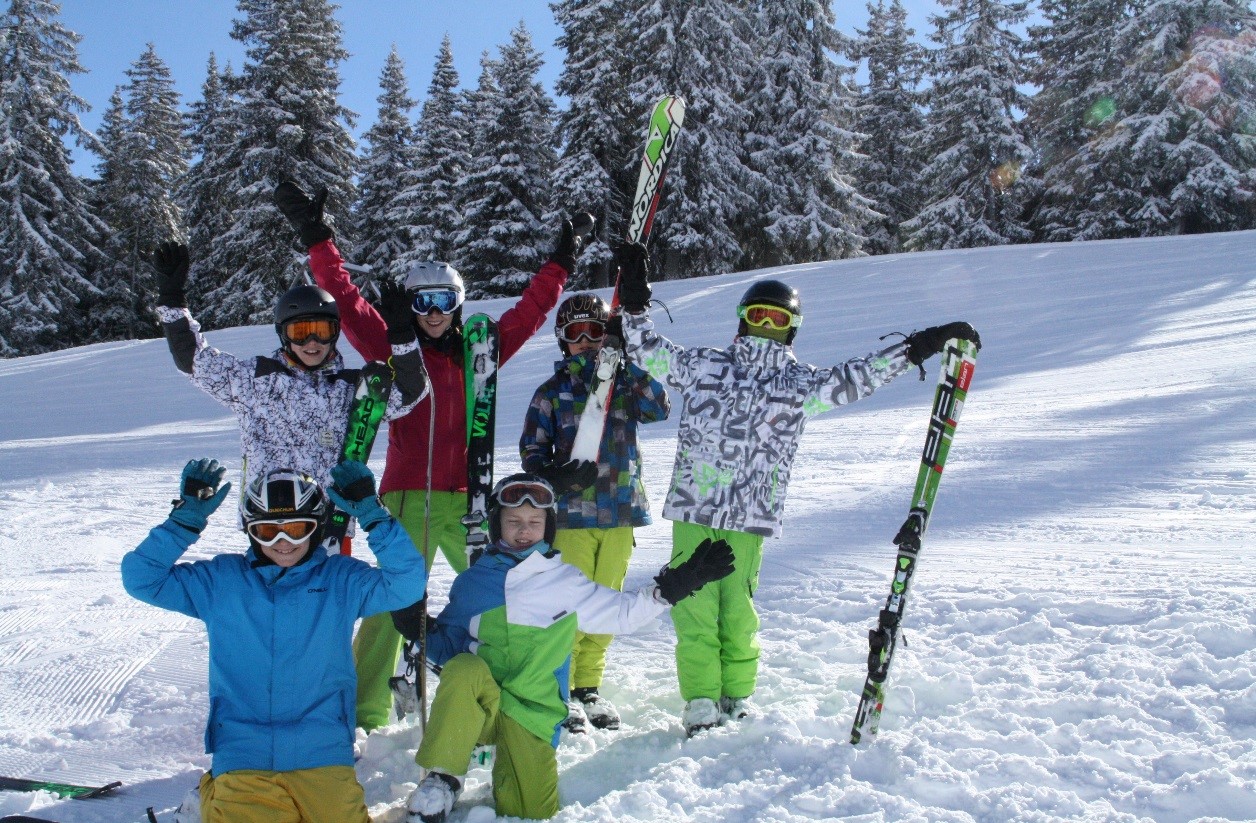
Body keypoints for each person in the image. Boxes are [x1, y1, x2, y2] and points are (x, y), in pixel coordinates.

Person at [614, 243, 982, 737]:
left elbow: (857, 378)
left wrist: (917, 346)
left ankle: (736, 696)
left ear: (792, 328)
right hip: (695, 507)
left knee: (738, 611)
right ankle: (700, 699)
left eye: (777, 318)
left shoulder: (799, 383)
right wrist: (634, 304)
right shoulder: (706, 366)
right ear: (743, 319)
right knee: (694, 607)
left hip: (749, 516)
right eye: (758, 314)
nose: (767, 325)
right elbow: (648, 351)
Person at [272, 181, 588, 732]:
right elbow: (344, 300)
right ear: (411, 306)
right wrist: (317, 238)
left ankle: (500, 701)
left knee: (497, 599)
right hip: (402, 496)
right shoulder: (389, 343)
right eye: (422, 302)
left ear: (458, 303)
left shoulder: (480, 349)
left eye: (444, 301)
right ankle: (365, 711)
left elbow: (532, 311)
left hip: (468, 499)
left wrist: (562, 258)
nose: (434, 313)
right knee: (387, 607)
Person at [390, 473, 735, 822]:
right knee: (466, 669)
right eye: (513, 522)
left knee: (528, 813)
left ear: (548, 527)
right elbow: (450, 650)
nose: (524, 531)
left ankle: (510, 771)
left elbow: (622, 614)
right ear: (497, 525)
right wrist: (417, 629)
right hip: (483, 704)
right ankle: (444, 777)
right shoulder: (472, 583)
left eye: (534, 522)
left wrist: (676, 585)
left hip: (532, 713)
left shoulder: (564, 582)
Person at [120, 458, 428, 823]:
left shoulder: (340, 579)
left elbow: (407, 583)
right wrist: (184, 521)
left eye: (297, 528)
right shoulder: (222, 581)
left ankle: (217, 798)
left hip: (322, 749)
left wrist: (374, 516)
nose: (284, 543)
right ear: (252, 531)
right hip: (243, 751)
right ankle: (215, 793)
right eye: (269, 532)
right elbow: (142, 578)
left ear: (315, 528)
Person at [152, 241, 428, 503]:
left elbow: (410, 392)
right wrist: (172, 300)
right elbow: (192, 359)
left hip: (330, 523)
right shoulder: (254, 379)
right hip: (267, 522)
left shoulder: (354, 389)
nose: (312, 343)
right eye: (300, 332)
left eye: (322, 332)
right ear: (283, 335)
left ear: (334, 334)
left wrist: (403, 337)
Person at [518, 292, 670, 732]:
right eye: (574, 334)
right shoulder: (552, 391)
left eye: (594, 332)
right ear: (562, 342)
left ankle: (588, 686)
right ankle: (560, 689)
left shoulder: (624, 384)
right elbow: (531, 449)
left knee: (607, 603)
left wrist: (631, 359)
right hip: (571, 516)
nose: (585, 341)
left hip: (621, 510)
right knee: (570, 606)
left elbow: (659, 408)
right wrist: (550, 473)